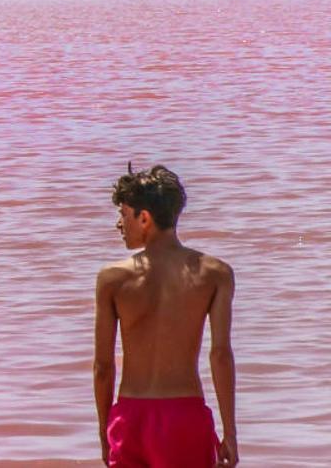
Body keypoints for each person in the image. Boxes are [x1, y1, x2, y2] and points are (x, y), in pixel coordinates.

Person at [93, 164, 238, 467]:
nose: (119, 225)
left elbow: (103, 367)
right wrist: (230, 433)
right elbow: (221, 355)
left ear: (143, 217)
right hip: (185, 418)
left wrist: (104, 433)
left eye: (123, 214)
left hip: (131, 419)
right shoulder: (216, 273)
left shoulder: (112, 278)